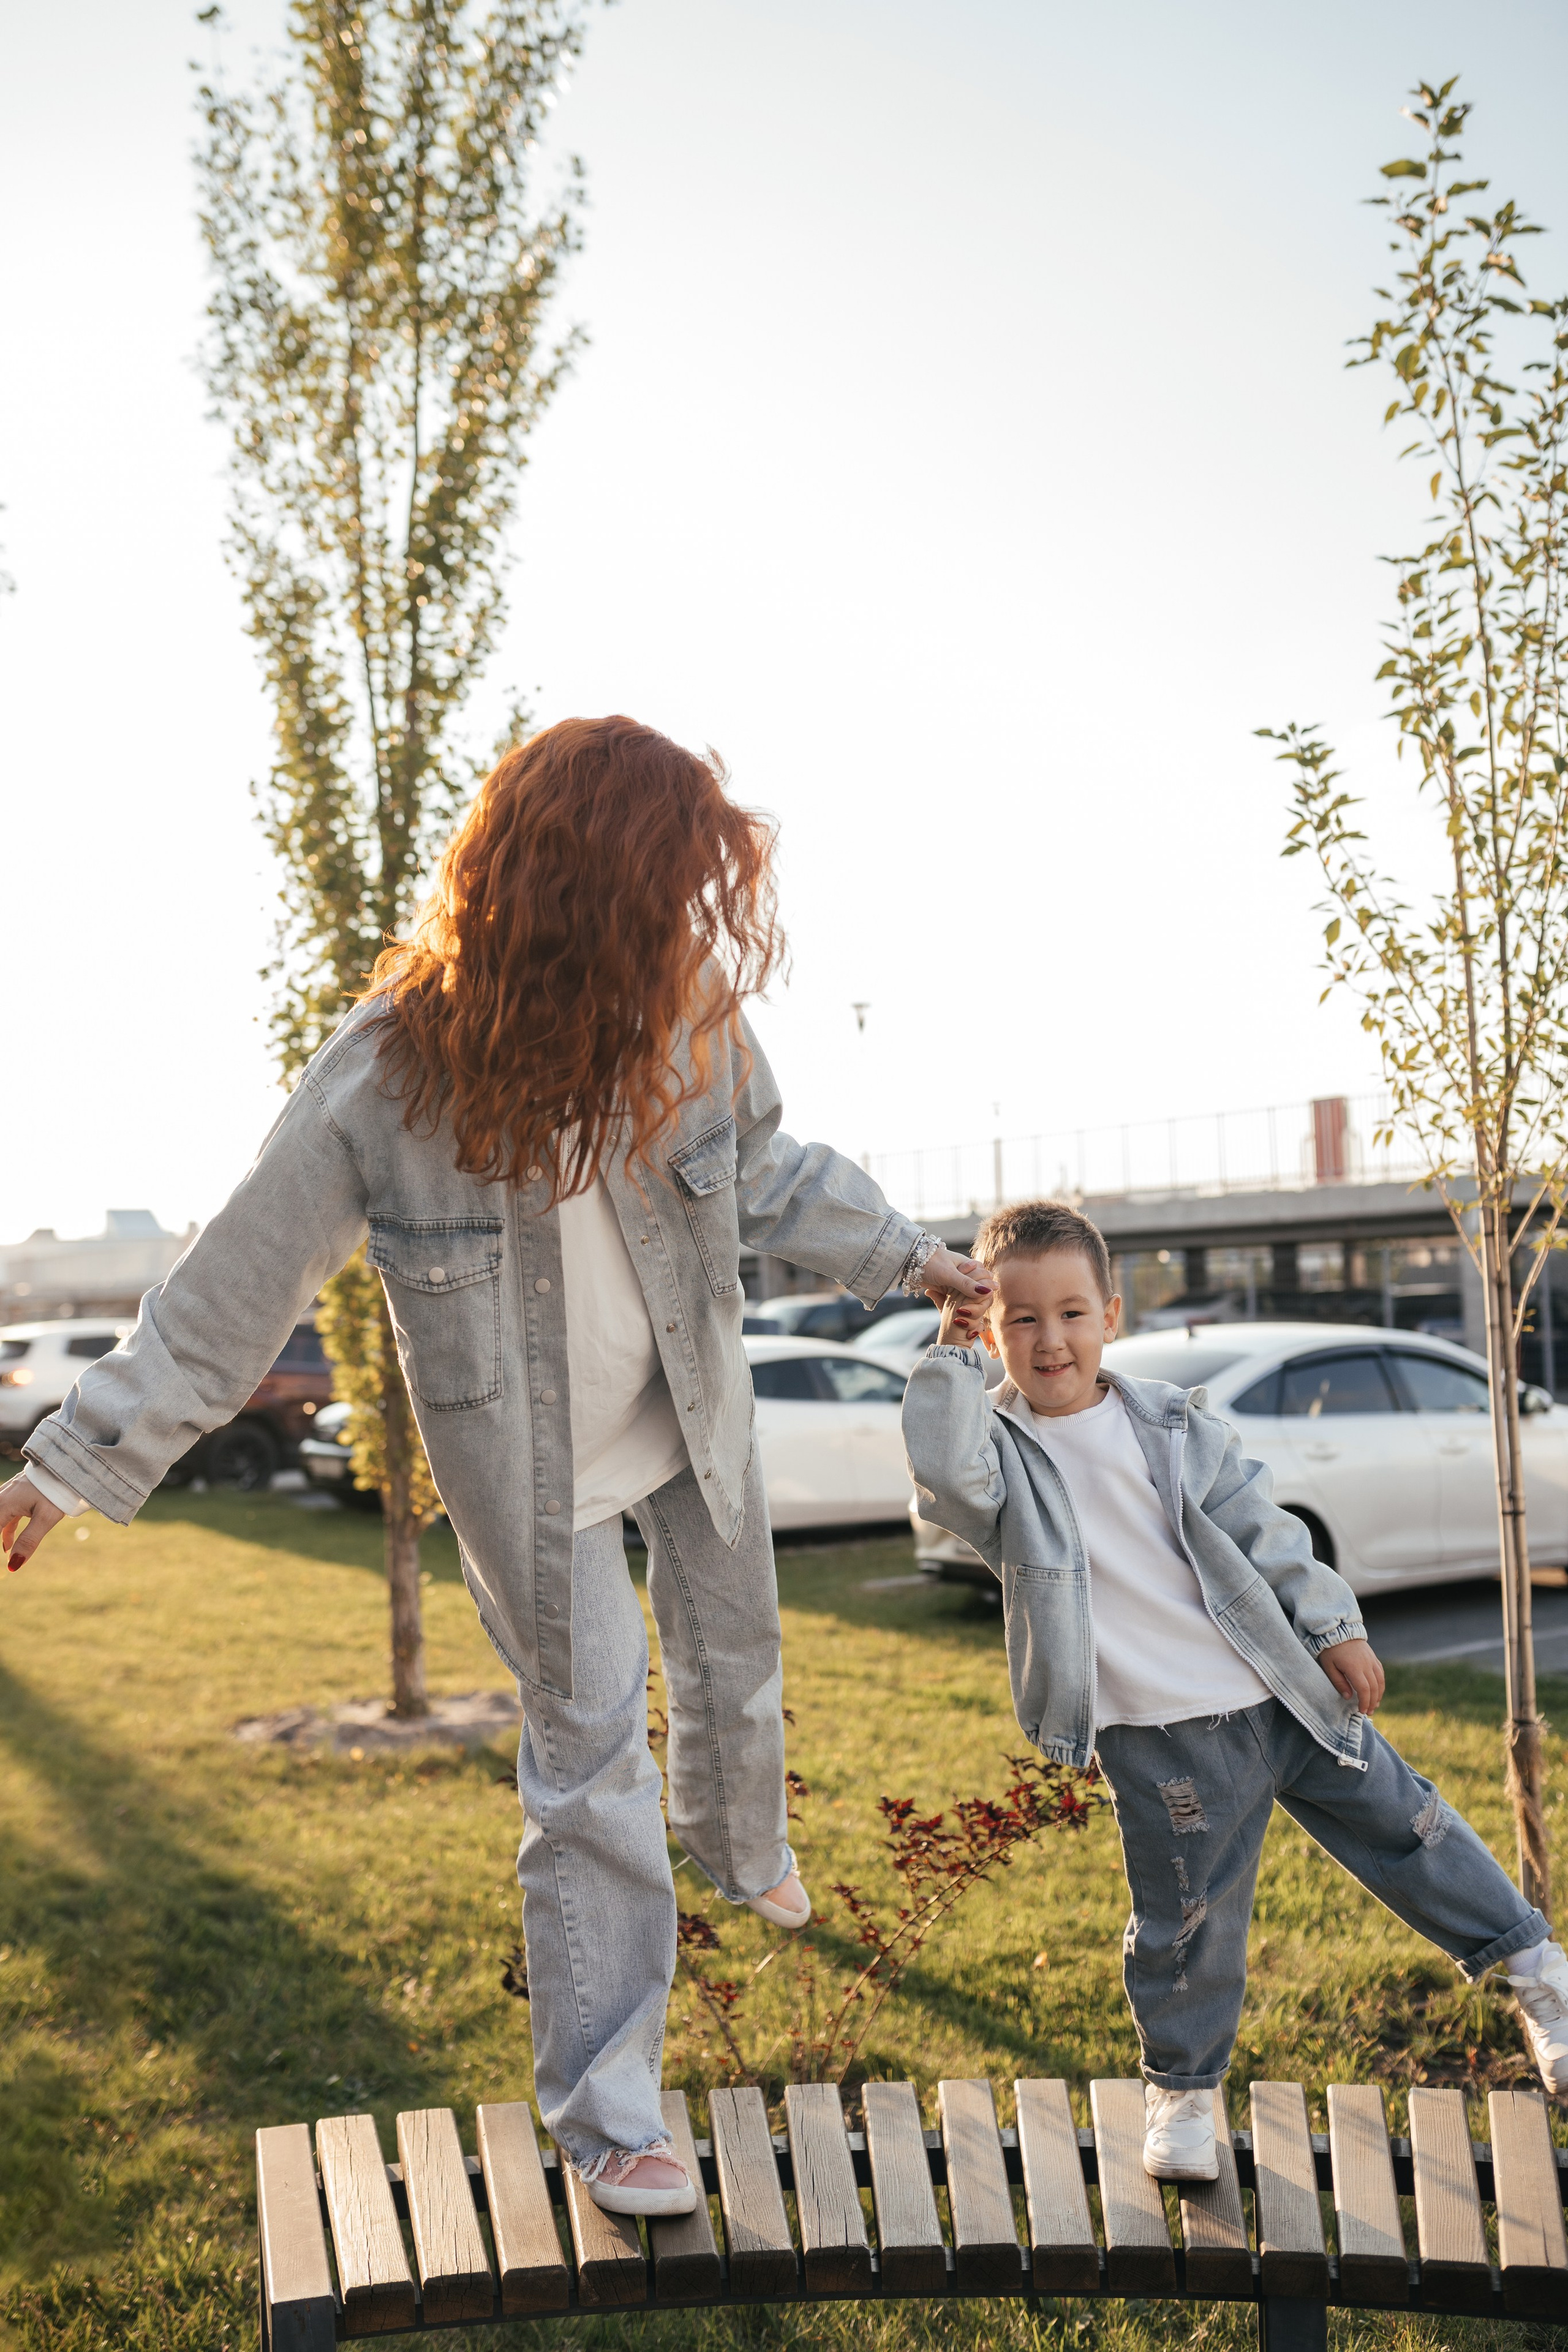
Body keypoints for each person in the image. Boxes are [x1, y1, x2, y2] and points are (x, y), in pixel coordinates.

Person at [0, 715, 989, 2219]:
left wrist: (911, 1257)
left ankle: (742, 1845)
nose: (683, 923)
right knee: (587, 1758)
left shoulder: (693, 1012)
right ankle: (611, 2117)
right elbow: (234, 1285)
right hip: (524, 1471)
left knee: (734, 1652)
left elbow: (771, 1172)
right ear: (575, 885)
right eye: (659, 890)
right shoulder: (390, 1071)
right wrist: (65, 1464)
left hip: (683, 1400)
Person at [902, 1195, 1568, 2184]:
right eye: (1023, 1320)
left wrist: (1334, 1627)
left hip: (1283, 1691)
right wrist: (950, 1353)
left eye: (1074, 1313)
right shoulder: (997, 1455)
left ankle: (1537, 1976)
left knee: (1411, 1825)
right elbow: (945, 1481)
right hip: (1158, 1736)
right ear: (990, 1329)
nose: (1052, 1341)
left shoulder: (1172, 1423)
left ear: (1112, 1317)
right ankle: (1182, 2093)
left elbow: (1264, 1530)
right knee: (1186, 1919)